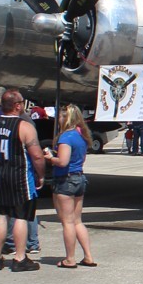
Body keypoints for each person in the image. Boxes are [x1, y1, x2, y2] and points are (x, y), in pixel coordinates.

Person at [0, 89, 47, 272]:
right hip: (19, 176)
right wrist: (42, 174)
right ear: (17, 105)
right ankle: (19, 257)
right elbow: (36, 156)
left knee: (1, 217)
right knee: (20, 216)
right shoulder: (24, 126)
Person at [43, 104, 96, 268]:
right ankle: (88, 256)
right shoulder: (81, 136)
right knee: (77, 221)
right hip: (79, 177)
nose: (57, 119)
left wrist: (50, 158)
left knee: (67, 222)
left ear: (65, 118)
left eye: (59, 116)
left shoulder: (66, 137)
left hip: (65, 180)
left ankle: (70, 258)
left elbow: (63, 161)